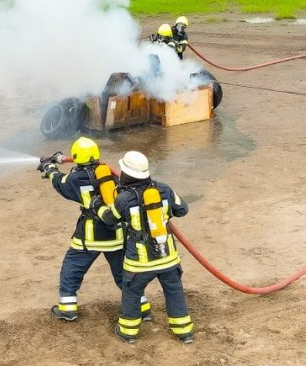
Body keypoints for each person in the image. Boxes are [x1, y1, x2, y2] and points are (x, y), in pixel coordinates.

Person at [39, 138, 151, 323]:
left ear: (76, 157)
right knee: (124, 275)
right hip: (117, 235)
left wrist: (49, 169)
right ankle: (142, 308)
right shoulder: (110, 174)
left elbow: (61, 182)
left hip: (91, 237)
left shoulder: (76, 179)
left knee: (72, 268)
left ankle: (67, 308)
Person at [96, 151, 194, 345]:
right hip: (168, 258)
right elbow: (182, 209)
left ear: (126, 173)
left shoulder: (124, 199)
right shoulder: (164, 189)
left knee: (131, 292)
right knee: (174, 291)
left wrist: (98, 205)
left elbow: (110, 219)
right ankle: (184, 332)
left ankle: (128, 332)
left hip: (139, 263)